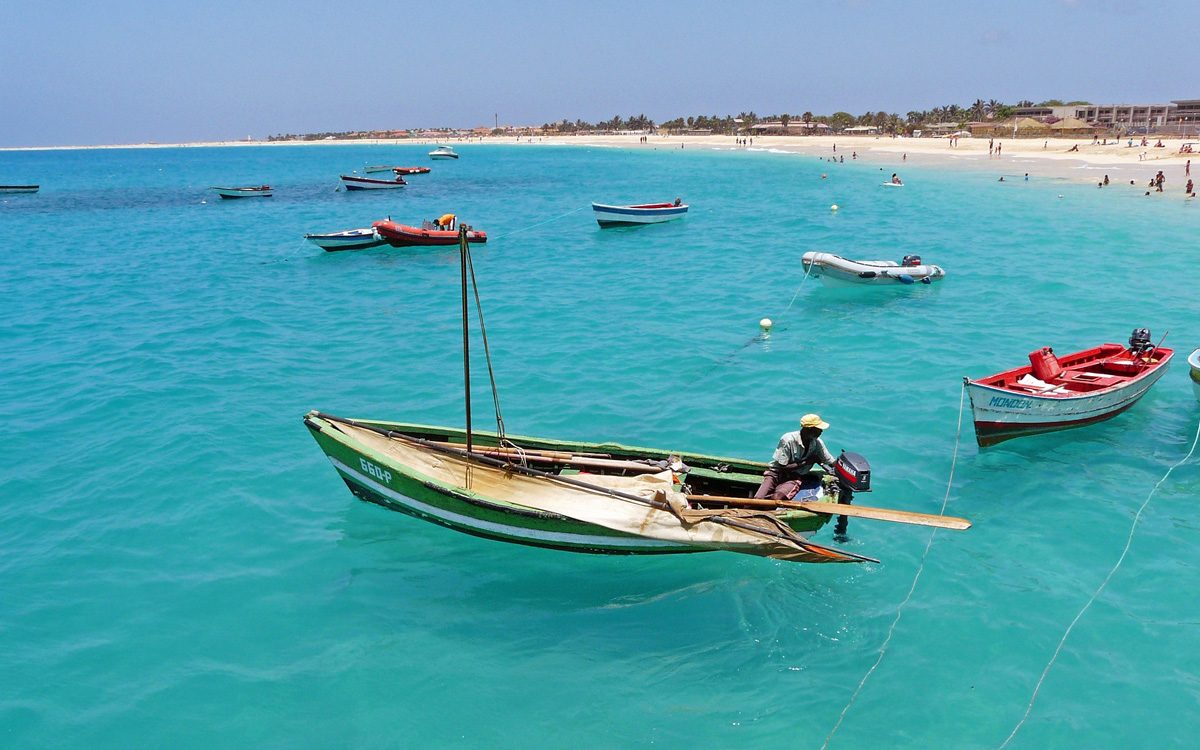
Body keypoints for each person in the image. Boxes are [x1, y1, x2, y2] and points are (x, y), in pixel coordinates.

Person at [754, 415, 837, 500]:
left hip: (793, 477)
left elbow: (830, 461)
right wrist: (808, 462)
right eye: (819, 429)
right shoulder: (788, 440)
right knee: (758, 498)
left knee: (776, 498)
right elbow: (782, 467)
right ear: (809, 429)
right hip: (775, 474)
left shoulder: (817, 443)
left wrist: (842, 468)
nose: (821, 431)